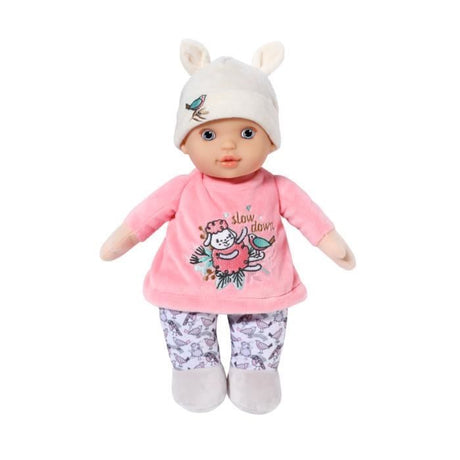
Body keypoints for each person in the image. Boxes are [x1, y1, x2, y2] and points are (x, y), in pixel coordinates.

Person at [100, 40, 355, 414]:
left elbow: (310, 218)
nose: (229, 146)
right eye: (209, 134)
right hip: (184, 288)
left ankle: (255, 372)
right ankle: (194, 369)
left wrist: (333, 244)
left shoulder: (276, 187)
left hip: (261, 293)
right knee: (186, 330)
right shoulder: (183, 188)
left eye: (247, 133)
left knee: (262, 332)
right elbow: (143, 218)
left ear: (271, 140)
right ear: (185, 142)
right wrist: (120, 241)